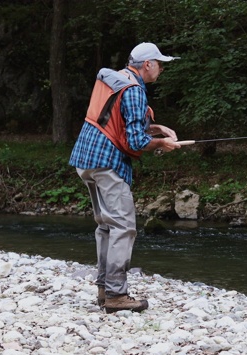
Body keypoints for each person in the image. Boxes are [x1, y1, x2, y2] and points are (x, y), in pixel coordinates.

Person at [69, 42, 181, 313]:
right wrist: (162, 144)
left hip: (86, 160)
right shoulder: (134, 91)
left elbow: (117, 121)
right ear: (147, 64)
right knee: (124, 226)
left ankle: (104, 289)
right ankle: (116, 295)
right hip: (107, 163)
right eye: (159, 63)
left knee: (106, 226)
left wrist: (156, 128)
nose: (161, 68)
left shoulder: (118, 79)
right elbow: (136, 141)